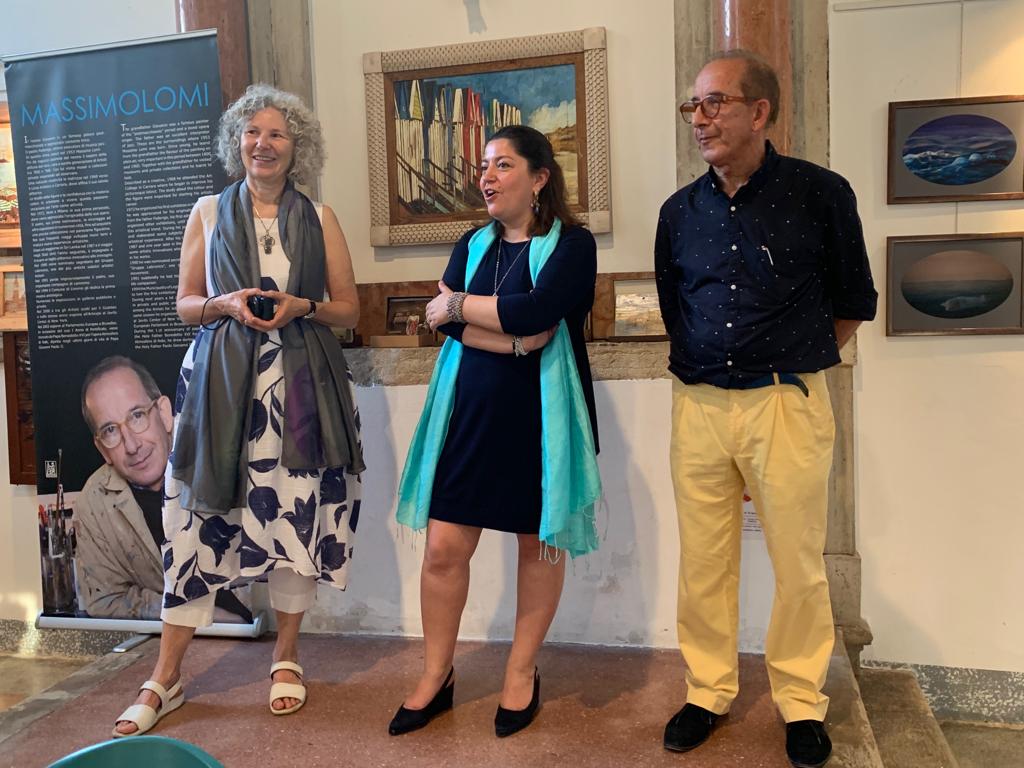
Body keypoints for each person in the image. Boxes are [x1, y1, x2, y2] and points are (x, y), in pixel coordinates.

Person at [112, 84, 365, 737]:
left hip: (299, 390)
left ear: (297, 146)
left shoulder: (321, 217)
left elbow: (348, 309)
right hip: (220, 391)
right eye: (253, 132)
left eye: (277, 133)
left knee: (294, 515)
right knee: (195, 522)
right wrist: (224, 305)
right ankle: (165, 676)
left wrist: (302, 307)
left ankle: (286, 656)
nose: (263, 143)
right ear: (237, 142)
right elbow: (185, 304)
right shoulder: (205, 212)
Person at [655, 50, 877, 768]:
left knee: (798, 562)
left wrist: (790, 359)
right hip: (697, 404)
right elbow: (675, 306)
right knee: (703, 561)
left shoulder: (821, 194)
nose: (700, 118)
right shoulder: (678, 212)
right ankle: (707, 690)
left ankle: (801, 701)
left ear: (760, 111)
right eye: (693, 105)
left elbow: (853, 302)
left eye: (714, 102)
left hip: (787, 399)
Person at [390, 125, 601, 738]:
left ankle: (520, 671)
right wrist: (515, 340)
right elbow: (450, 324)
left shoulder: (574, 245)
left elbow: (538, 312)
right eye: (484, 166)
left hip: (541, 422)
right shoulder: (471, 243)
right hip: (469, 418)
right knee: (443, 549)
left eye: (503, 165)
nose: (486, 177)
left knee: (538, 547)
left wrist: (460, 306)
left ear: (539, 178)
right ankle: (436, 675)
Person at [75, 356, 252, 623]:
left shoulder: (222, 454)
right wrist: (200, 617)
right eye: (111, 430)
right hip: (176, 640)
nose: (132, 445)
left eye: (137, 416)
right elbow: (105, 601)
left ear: (164, 413)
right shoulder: (94, 501)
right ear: (102, 449)